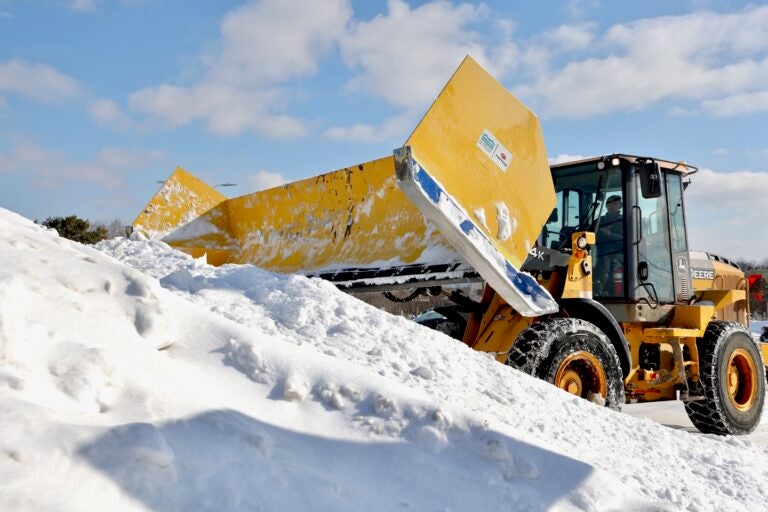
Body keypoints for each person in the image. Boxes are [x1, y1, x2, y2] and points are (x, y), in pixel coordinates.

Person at [594, 194, 624, 295]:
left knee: (604, 264)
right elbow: (587, 232)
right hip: (598, 251)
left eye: (615, 203)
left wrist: (610, 235)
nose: (612, 205)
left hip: (618, 252)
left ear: (620, 206)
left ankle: (600, 291)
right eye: (609, 203)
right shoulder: (599, 220)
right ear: (606, 206)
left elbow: (627, 240)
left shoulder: (624, 221)